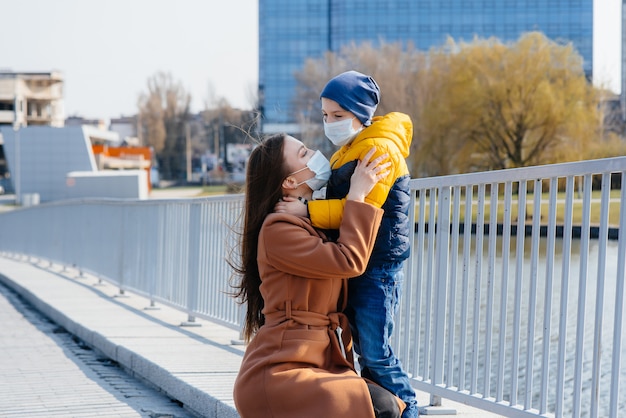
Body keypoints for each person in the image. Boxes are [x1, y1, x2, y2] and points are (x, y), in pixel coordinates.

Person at [275, 70, 418, 418]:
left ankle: (410, 410)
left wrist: (306, 211)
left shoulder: (379, 151)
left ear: (361, 115)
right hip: (359, 260)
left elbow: (359, 208)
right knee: (361, 350)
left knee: (376, 352)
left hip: (377, 266)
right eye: (325, 116)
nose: (330, 123)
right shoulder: (349, 150)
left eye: (339, 116)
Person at [232, 133, 405, 418]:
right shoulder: (278, 230)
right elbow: (348, 260)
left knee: (384, 404)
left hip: (316, 358)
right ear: (289, 182)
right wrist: (358, 195)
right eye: (303, 153)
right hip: (281, 372)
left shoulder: (307, 221)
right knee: (382, 407)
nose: (314, 153)